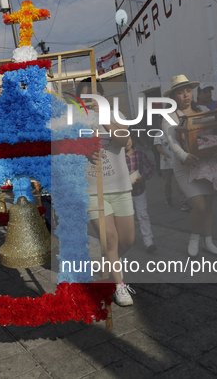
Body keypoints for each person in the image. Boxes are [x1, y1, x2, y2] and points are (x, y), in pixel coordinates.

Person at [161, 75, 217, 257]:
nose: (185, 95)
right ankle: (194, 238)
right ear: (173, 97)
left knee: (208, 206)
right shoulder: (169, 117)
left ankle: (208, 242)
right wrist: (184, 155)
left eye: (188, 91)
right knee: (199, 206)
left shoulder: (205, 109)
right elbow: (172, 142)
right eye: (180, 92)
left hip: (206, 164)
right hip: (185, 167)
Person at [78, 78, 136, 307]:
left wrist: (104, 120)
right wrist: (84, 152)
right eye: (84, 98)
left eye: (93, 96)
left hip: (120, 188)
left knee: (128, 240)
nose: (89, 102)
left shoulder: (115, 115)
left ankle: (109, 262)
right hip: (93, 190)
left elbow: (123, 140)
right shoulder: (76, 123)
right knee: (110, 238)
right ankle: (119, 286)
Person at [124, 136, 157, 254]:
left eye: (129, 139)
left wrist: (143, 176)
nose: (127, 142)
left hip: (139, 191)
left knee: (143, 215)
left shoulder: (140, 153)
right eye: (124, 139)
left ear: (132, 140)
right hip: (124, 193)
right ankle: (127, 239)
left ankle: (148, 241)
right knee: (126, 218)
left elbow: (152, 167)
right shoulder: (118, 157)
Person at [154, 116, 191, 211]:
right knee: (167, 183)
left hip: (176, 162)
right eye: (160, 123)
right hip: (165, 164)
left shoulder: (173, 132)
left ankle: (184, 202)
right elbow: (158, 147)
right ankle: (168, 199)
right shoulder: (158, 134)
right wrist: (164, 153)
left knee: (179, 183)